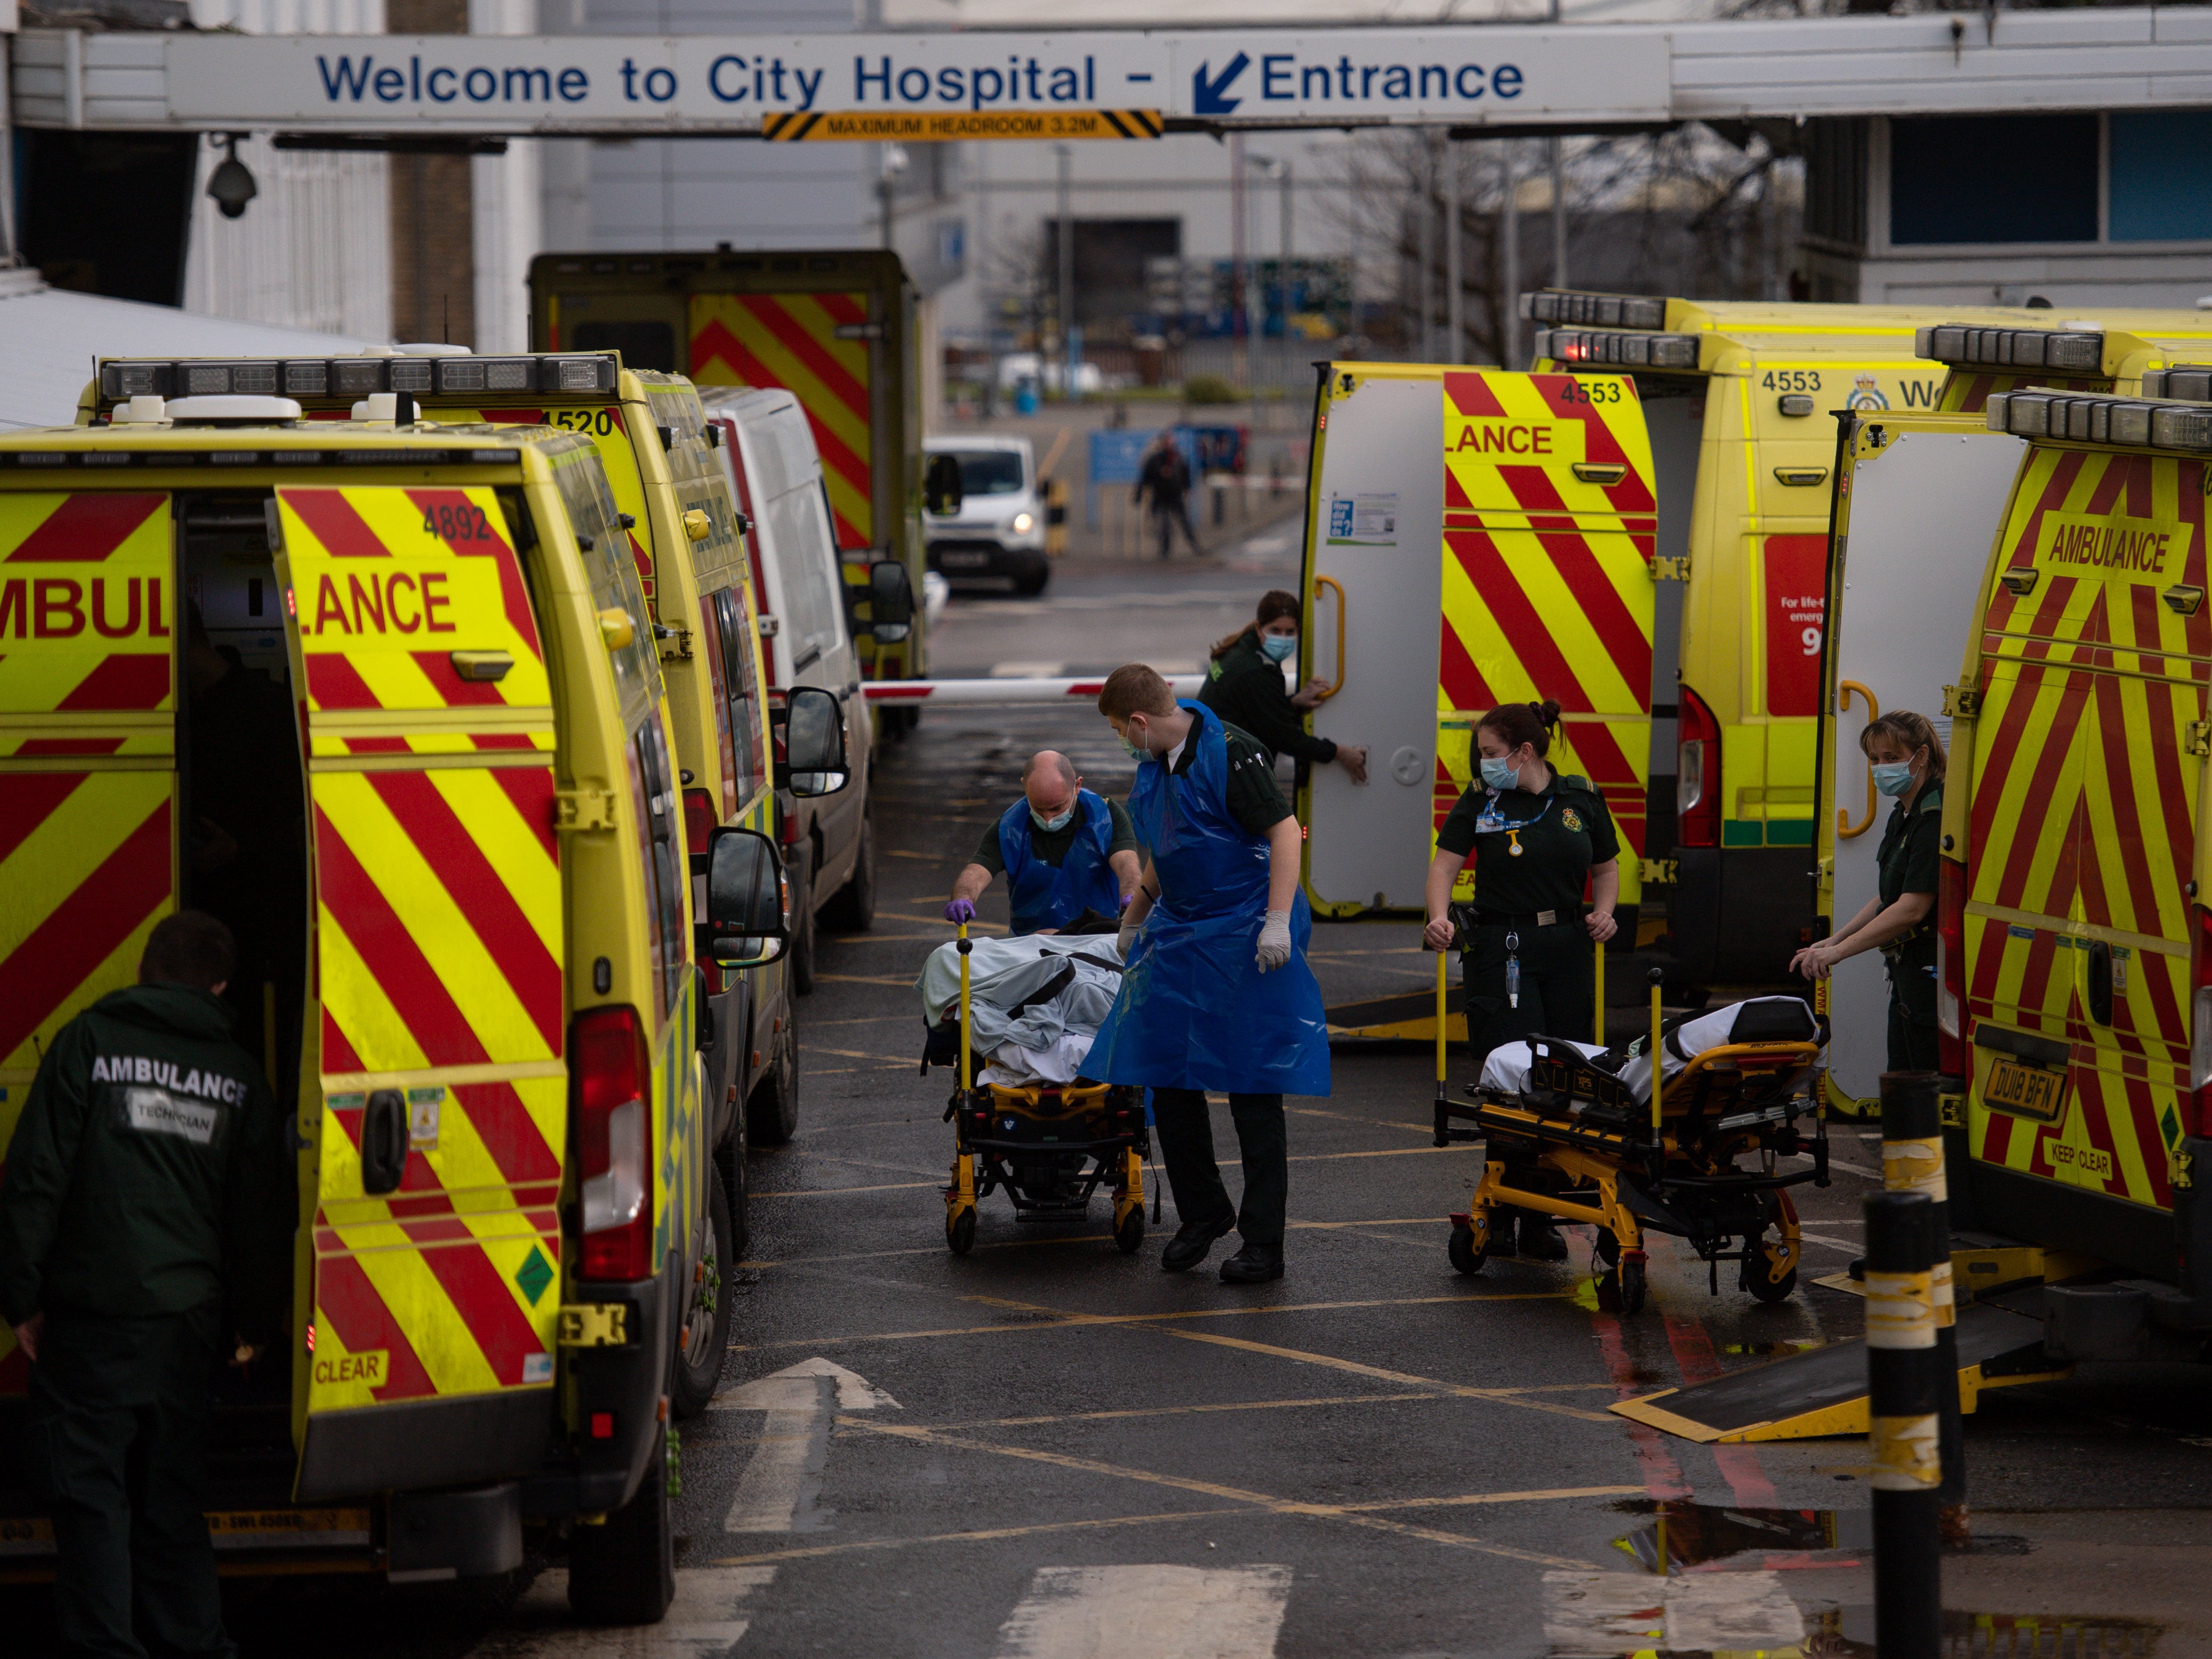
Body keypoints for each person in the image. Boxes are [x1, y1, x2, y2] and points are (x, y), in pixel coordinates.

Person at [0, 909, 292, 1659]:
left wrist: (22, 1298)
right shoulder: (239, 1079)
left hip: (92, 1320)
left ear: (143, 967)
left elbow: (35, 1180)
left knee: (92, 1498)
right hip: (185, 1323)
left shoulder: (86, 1047)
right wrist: (255, 1326)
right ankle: (200, 1648)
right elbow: (257, 1218)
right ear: (221, 985)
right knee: (169, 1500)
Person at [1083, 665, 1331, 1284]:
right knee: (1166, 1073)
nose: (1122, 741)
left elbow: (1284, 833)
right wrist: (1136, 915)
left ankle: (1263, 1244)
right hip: (1184, 930)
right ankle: (1204, 1212)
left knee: (1252, 1087)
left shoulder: (1231, 754)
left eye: (1119, 730)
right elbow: (1169, 848)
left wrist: (1276, 921)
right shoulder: (1157, 765)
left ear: (1140, 720)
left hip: (1245, 932)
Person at [1421, 699, 1620, 1261]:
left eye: (1489, 753)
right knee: (1514, 1078)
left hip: (1567, 948)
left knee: (1566, 1078)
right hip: (1501, 950)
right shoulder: (1481, 801)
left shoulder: (1579, 797)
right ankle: (1505, 1211)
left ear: (1524, 751)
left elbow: (1605, 867)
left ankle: (1540, 1215)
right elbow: (1444, 866)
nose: (1482, 763)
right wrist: (1439, 916)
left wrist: (1606, 911)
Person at [1791, 710, 1945, 1070]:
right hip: (1906, 973)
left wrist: (1841, 952)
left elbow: (1911, 909)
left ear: (1921, 756)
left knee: (1923, 1092)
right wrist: (1833, 940)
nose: (1880, 767)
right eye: (1874, 759)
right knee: (1904, 1088)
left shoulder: (1935, 817)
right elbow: (1887, 898)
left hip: (1929, 975)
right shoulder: (1902, 814)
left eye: (1891, 758)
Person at [945, 750, 1143, 936]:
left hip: (1095, 936)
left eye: (1057, 808)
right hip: (1031, 940)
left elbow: (1126, 862)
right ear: (1024, 785)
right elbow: (978, 870)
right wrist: (964, 897)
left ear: (1077, 786)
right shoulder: (1010, 826)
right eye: (1038, 808)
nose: (1048, 819)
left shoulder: (1105, 815)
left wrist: (1132, 894)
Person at [1200, 590, 1370, 784]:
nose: (1283, 638)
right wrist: (1341, 753)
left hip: (1215, 761)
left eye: (1290, 632)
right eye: (1276, 631)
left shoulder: (1244, 651)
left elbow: (1256, 712)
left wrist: (1294, 703)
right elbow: (1285, 737)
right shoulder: (1254, 671)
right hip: (1226, 772)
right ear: (1259, 628)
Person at [1134, 434, 1200, 560]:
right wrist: (1139, 494)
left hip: (1175, 496)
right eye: (1169, 443)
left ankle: (1194, 545)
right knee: (1164, 524)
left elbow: (1185, 474)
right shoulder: (1155, 460)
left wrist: (1187, 488)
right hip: (1161, 496)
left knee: (1184, 522)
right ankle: (1165, 550)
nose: (1171, 445)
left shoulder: (1178, 457)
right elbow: (1145, 478)